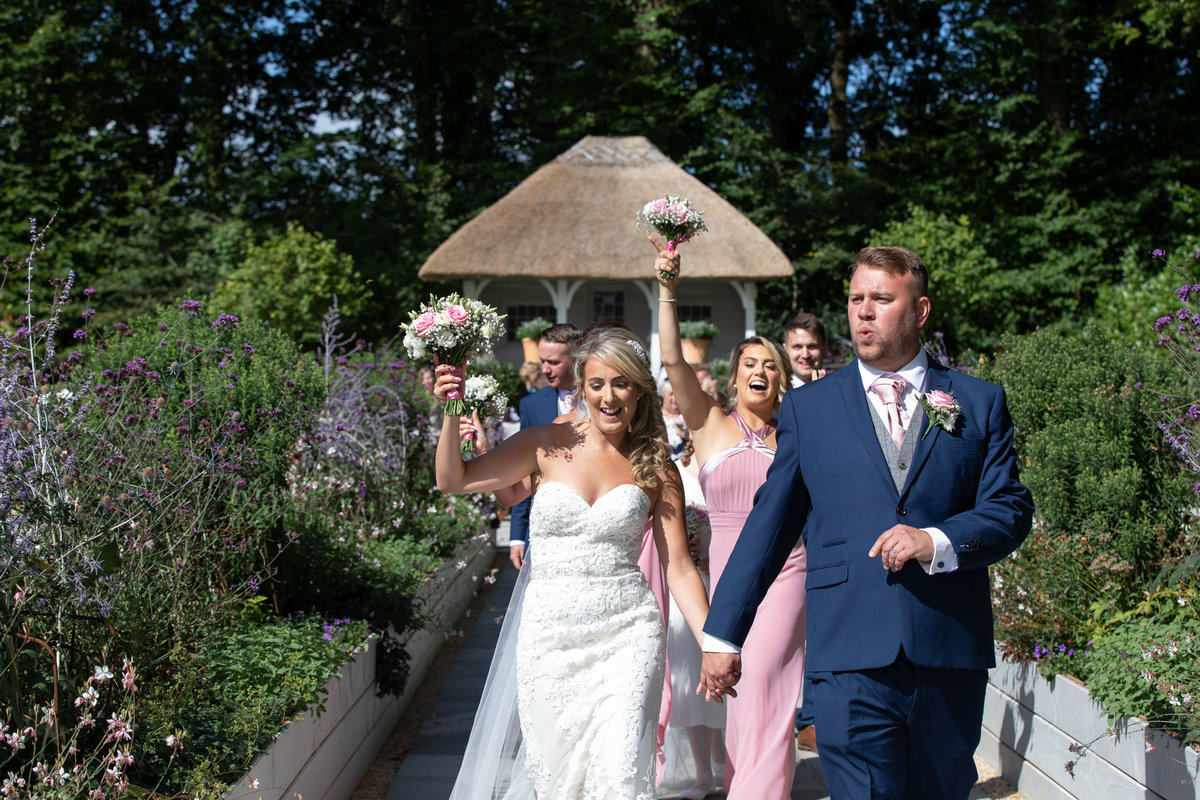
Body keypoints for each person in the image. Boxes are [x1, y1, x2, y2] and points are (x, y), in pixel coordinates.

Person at [700, 245, 1034, 800]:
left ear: (920, 310)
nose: (863, 312)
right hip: (847, 651)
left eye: (881, 298)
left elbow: (1010, 509)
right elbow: (770, 526)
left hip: (947, 646)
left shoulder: (978, 403)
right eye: (856, 299)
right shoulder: (811, 409)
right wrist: (724, 633)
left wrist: (935, 539)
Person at [437, 329, 712, 800]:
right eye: (598, 383)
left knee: (621, 774)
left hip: (629, 632)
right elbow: (453, 479)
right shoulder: (542, 443)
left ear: (640, 390)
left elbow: (679, 568)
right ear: (581, 386)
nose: (610, 397)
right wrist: (452, 409)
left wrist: (714, 643)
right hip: (550, 636)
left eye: (622, 384)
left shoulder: (655, 464)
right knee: (558, 781)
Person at [652, 237, 806, 800]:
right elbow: (672, 359)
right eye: (750, 364)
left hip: (787, 571)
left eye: (770, 365)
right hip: (724, 576)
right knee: (741, 700)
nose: (760, 372)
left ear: (780, 379)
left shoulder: (795, 433)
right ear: (735, 375)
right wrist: (667, 288)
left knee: (765, 685)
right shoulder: (710, 423)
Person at [507, 323, 581, 570]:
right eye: (542, 361)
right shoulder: (531, 405)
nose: (544, 370)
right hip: (545, 528)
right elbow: (523, 468)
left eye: (553, 362)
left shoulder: (604, 399)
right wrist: (517, 535)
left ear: (576, 358)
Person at [783, 312, 827, 387]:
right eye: (797, 347)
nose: (805, 355)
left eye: (812, 347)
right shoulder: (775, 395)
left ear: (825, 348)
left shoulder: (839, 390)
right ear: (785, 349)